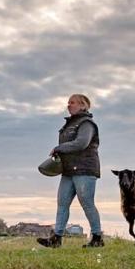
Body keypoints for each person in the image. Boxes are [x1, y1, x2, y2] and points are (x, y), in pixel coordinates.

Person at [37, 94, 104, 248]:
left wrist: (59, 148)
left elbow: (81, 143)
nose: (68, 105)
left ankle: (97, 238)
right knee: (62, 203)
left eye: (72, 103)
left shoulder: (87, 123)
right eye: (68, 103)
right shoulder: (69, 125)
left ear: (83, 105)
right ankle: (56, 239)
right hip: (68, 170)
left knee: (87, 203)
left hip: (85, 169)